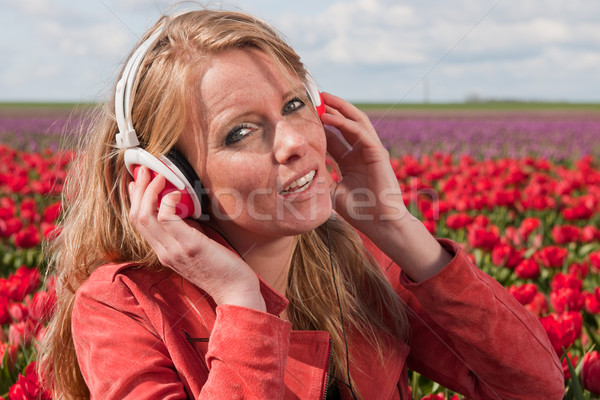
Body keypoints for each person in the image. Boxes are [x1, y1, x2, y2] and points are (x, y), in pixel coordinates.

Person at [40, 8, 564, 400]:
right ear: (171, 178)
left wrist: (396, 227)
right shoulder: (123, 305)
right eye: (240, 133)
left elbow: (534, 388)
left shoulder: (356, 260)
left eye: (294, 105)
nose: (292, 142)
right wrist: (240, 301)